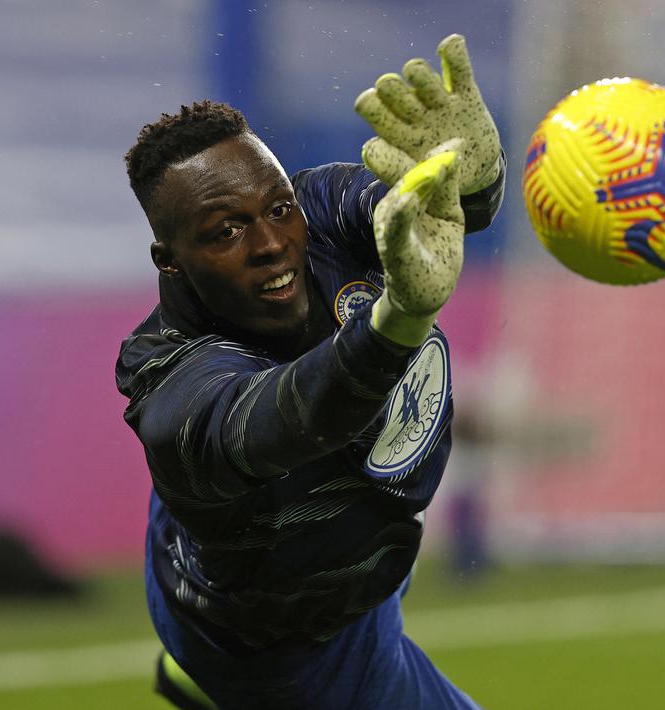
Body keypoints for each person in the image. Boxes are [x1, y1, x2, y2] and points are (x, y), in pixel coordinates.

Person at [115, 34, 504, 710]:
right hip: (283, 639)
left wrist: (470, 178)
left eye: (276, 207)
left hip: (345, 539)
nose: (271, 244)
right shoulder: (168, 384)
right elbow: (291, 417)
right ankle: (206, 679)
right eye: (224, 231)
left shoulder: (319, 211)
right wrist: (397, 323)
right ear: (168, 260)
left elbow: (428, 214)